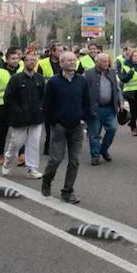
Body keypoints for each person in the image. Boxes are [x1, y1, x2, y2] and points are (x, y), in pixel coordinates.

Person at [41, 50, 90, 204]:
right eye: (68, 60)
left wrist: (84, 119)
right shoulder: (54, 82)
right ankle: (46, 181)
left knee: (75, 161)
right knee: (56, 159)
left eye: (74, 60)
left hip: (77, 126)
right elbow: (47, 105)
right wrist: (54, 122)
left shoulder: (81, 81)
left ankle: (67, 191)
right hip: (60, 126)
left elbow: (86, 101)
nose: (72, 62)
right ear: (61, 63)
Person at [2, 48, 46, 178]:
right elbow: (8, 97)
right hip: (20, 118)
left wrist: (42, 108)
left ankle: (32, 168)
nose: (31, 62)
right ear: (24, 62)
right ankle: (8, 161)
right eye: (28, 60)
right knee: (16, 142)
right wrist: (17, 110)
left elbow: (44, 96)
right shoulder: (16, 79)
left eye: (34, 61)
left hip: (36, 117)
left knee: (34, 143)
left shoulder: (40, 79)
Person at [83, 52, 124, 165]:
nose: (107, 63)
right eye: (103, 61)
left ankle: (103, 149)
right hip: (95, 109)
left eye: (107, 61)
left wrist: (120, 101)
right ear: (97, 62)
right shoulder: (88, 74)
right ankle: (95, 155)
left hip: (110, 108)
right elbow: (82, 90)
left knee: (112, 129)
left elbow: (117, 88)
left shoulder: (111, 72)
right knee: (94, 133)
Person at [119, 48, 137, 136]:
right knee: (133, 110)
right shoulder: (126, 66)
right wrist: (130, 74)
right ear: (131, 57)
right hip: (130, 92)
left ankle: (132, 121)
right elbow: (123, 79)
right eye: (134, 56)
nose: (136, 57)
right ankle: (134, 127)